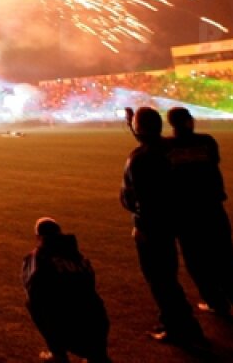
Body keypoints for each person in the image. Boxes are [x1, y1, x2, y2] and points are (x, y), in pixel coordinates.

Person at [120, 107, 204, 346]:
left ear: (140, 130)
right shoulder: (169, 148)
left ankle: (182, 327)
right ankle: (173, 320)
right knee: (168, 276)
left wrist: (142, 225)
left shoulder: (141, 158)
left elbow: (142, 199)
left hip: (153, 225)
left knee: (161, 279)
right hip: (179, 217)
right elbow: (150, 138)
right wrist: (132, 124)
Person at [165, 107, 233, 316]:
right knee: (225, 255)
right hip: (212, 206)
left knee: (196, 259)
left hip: (185, 211)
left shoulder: (165, 147)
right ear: (189, 121)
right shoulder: (207, 142)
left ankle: (216, 301)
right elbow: (213, 163)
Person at [22, 217, 111, 363]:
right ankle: (96, 354)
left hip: (70, 327)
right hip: (98, 324)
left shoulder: (39, 257)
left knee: (32, 302)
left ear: (38, 237)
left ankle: (58, 353)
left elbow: (33, 289)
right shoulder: (78, 256)